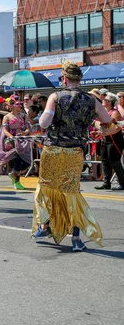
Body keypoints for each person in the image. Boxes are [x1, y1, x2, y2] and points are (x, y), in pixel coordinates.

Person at [32, 62, 114, 251]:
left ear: (65, 78)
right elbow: (107, 121)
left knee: (47, 188)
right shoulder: (91, 100)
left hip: (53, 150)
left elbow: (44, 123)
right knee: (72, 192)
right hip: (75, 152)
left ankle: (45, 226)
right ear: (80, 79)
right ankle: (76, 238)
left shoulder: (56, 96)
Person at [0, 101, 32, 190]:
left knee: (28, 162)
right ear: (12, 106)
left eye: (20, 104)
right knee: (17, 160)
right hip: (11, 141)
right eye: (17, 104)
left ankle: (13, 174)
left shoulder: (24, 116)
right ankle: (17, 182)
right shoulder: (7, 117)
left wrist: (25, 132)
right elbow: (4, 129)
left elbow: (28, 128)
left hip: (22, 141)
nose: (20, 106)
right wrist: (12, 137)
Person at [94, 93, 124, 190]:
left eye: (107, 100)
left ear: (111, 103)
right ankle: (106, 183)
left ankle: (122, 183)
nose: (104, 101)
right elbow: (102, 127)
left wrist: (105, 133)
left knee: (115, 162)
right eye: (104, 99)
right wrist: (99, 132)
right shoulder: (103, 113)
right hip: (106, 140)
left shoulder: (114, 113)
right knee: (105, 161)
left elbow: (117, 128)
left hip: (115, 140)